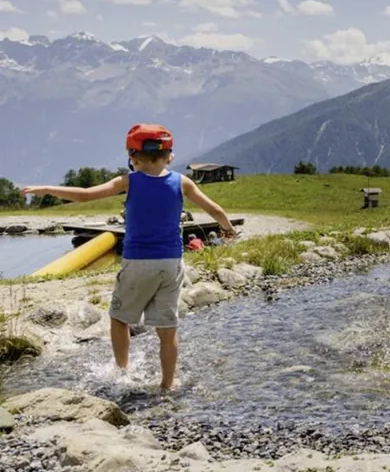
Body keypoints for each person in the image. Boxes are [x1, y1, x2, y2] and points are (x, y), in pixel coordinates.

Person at [22, 124, 236, 390]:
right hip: (171, 263)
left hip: (138, 263)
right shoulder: (182, 182)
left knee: (120, 318)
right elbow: (215, 210)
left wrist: (46, 188)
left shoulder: (128, 181)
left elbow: (85, 196)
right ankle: (167, 384)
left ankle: (122, 373)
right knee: (167, 330)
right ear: (169, 155)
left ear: (132, 156)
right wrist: (228, 229)